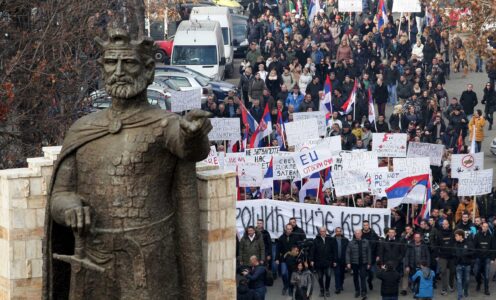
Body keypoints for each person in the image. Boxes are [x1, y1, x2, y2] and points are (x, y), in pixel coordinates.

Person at [44, 28, 212, 299]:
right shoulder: (82, 129)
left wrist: (193, 133)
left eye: (128, 62)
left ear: (147, 70)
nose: (118, 70)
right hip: (93, 257)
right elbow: (59, 195)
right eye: (111, 63)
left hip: (149, 261)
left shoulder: (163, 125)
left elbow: (189, 148)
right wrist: (70, 208)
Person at [346, 229, 371, 298]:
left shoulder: (366, 242)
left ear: (361, 234)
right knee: (355, 278)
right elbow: (348, 253)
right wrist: (348, 262)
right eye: (356, 233)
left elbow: (369, 253)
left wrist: (369, 263)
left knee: (363, 277)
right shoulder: (351, 243)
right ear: (354, 234)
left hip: (363, 263)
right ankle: (357, 291)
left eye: (359, 233)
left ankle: (363, 291)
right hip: (354, 263)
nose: (357, 234)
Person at [311, 226, 334, 297]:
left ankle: (327, 289)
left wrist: (334, 260)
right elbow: (312, 251)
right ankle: (322, 289)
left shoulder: (330, 239)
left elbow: (333, 251)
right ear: (319, 232)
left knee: (328, 276)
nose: (323, 232)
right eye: (321, 231)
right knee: (320, 277)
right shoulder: (315, 240)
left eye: (324, 231)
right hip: (318, 262)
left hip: (328, 262)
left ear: (326, 231)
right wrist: (311, 260)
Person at [276, 224, 298, 295]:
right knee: (283, 273)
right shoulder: (281, 238)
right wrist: (277, 258)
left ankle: (291, 288)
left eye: (290, 229)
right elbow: (278, 249)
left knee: (291, 274)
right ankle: (286, 285)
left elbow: (298, 248)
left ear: (292, 229)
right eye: (287, 229)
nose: (289, 230)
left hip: (292, 259)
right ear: (285, 229)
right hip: (284, 259)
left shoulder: (295, 237)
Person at [473, 222, 495, 295]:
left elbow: (493, 248)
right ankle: (479, 283)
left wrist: (492, 258)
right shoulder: (477, 235)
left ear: (488, 227)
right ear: (481, 227)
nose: (485, 228)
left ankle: (486, 289)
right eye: (484, 226)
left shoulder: (491, 236)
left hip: (487, 258)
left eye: (486, 227)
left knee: (487, 275)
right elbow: (474, 247)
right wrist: (475, 256)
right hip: (478, 257)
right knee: (476, 272)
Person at [435, 219, 455, 295]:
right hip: (442, 256)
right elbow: (436, 245)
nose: (444, 225)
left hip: (452, 256)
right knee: (443, 272)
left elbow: (455, 243)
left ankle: (451, 285)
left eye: (446, 224)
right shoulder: (439, 233)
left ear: (448, 225)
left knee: (453, 271)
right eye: (443, 224)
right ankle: (444, 288)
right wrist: (437, 255)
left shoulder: (453, 232)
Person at [453, 229, 474, 300]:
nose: (455, 237)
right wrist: (456, 259)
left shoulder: (469, 243)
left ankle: (465, 290)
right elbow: (453, 253)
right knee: (459, 281)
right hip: (458, 265)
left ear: (461, 236)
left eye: (456, 236)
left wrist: (465, 254)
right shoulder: (455, 244)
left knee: (467, 280)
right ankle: (460, 295)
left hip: (467, 265)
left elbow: (473, 252)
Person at [331, 227, 349, 294]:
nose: (338, 232)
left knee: (342, 274)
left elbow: (348, 251)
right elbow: (330, 251)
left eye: (339, 231)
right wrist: (333, 261)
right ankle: (337, 288)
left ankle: (341, 284)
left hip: (343, 260)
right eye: (337, 231)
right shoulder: (332, 240)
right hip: (335, 261)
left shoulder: (345, 240)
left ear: (341, 232)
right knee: (337, 274)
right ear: (335, 232)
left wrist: (347, 262)